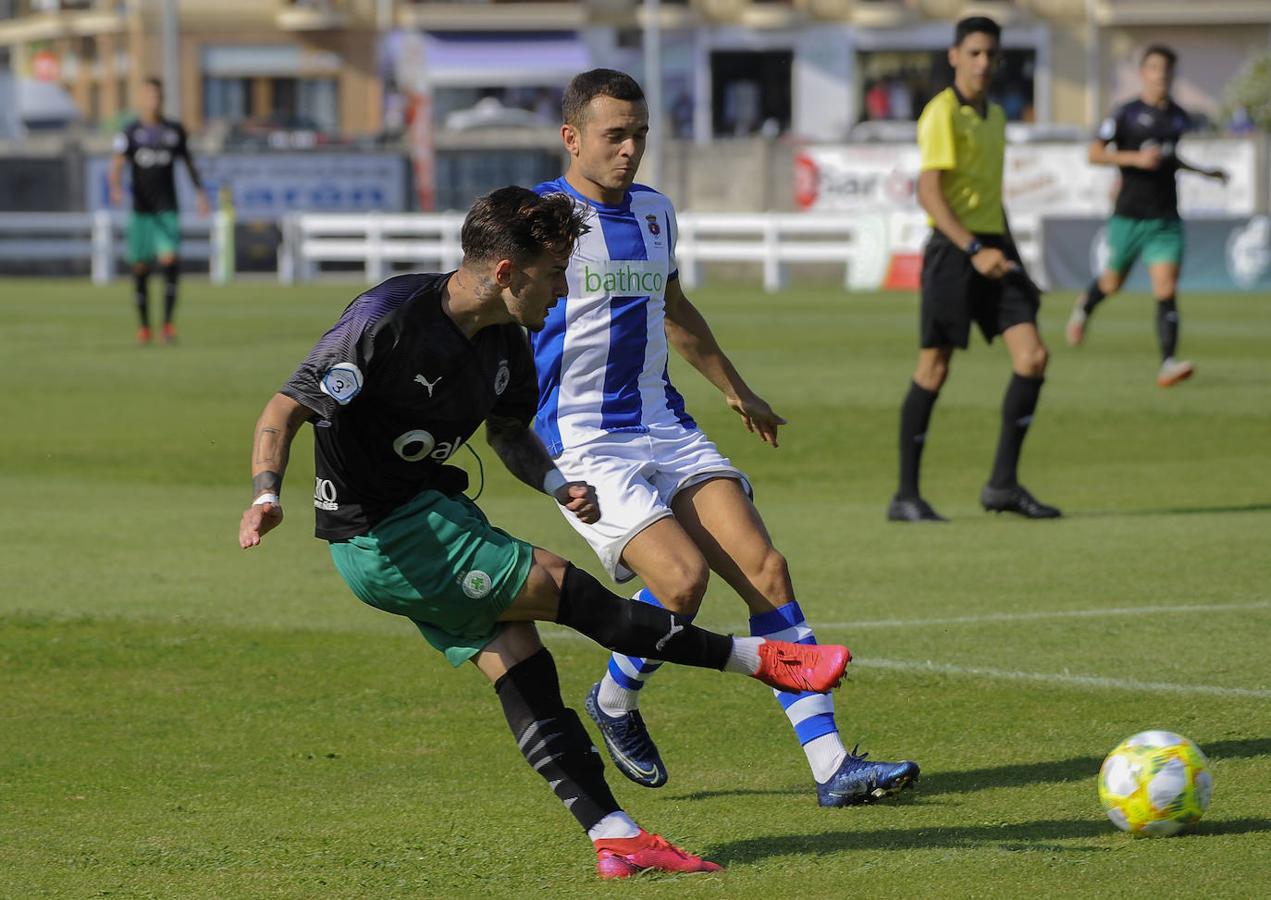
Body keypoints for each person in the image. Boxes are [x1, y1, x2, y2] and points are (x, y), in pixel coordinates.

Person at [237, 186, 852, 879]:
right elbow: (286, 406)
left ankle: (614, 834)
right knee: (573, 593)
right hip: (387, 537)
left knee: (524, 665)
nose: (563, 289)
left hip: (433, 517)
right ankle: (766, 662)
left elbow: (507, 434)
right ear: (506, 272)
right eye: (555, 273)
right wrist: (266, 493)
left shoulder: (506, 340)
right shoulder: (389, 319)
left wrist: (558, 485)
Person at [529, 69, 919, 807]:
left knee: (766, 570)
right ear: (571, 137)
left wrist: (736, 389)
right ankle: (613, 700)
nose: (630, 149)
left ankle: (833, 768)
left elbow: (672, 307)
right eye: (614, 134)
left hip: (664, 424)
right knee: (680, 584)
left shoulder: (654, 212)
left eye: (639, 133)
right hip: (581, 439)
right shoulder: (537, 219)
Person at [888, 17, 1061, 524]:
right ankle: (905, 495)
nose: (984, 63)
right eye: (975, 53)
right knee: (934, 368)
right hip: (953, 249)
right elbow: (930, 191)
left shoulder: (996, 116)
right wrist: (971, 250)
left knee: (1032, 357)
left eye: (991, 55)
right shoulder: (942, 113)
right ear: (955, 56)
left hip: (992, 245)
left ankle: (1003, 486)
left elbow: (990, 198)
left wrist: (1015, 262)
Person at [1066, 45, 1228, 387]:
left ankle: (1168, 362)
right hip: (1129, 215)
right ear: (1143, 73)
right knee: (1111, 283)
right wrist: (1134, 160)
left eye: (1167, 70)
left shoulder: (1178, 116)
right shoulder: (1125, 114)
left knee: (1166, 288)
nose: (1161, 76)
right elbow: (1094, 154)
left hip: (1166, 219)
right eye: (1154, 69)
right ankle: (1084, 305)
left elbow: (1171, 158)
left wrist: (1204, 172)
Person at [109, 77, 209, 345]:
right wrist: (115, 187)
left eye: (156, 96)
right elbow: (117, 163)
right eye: (148, 96)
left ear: (161, 98)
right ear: (142, 99)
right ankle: (144, 327)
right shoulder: (130, 132)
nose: (153, 100)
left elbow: (188, 163)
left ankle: (167, 325)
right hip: (141, 211)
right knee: (140, 266)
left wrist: (200, 193)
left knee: (169, 261)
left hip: (167, 209)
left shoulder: (174, 131)